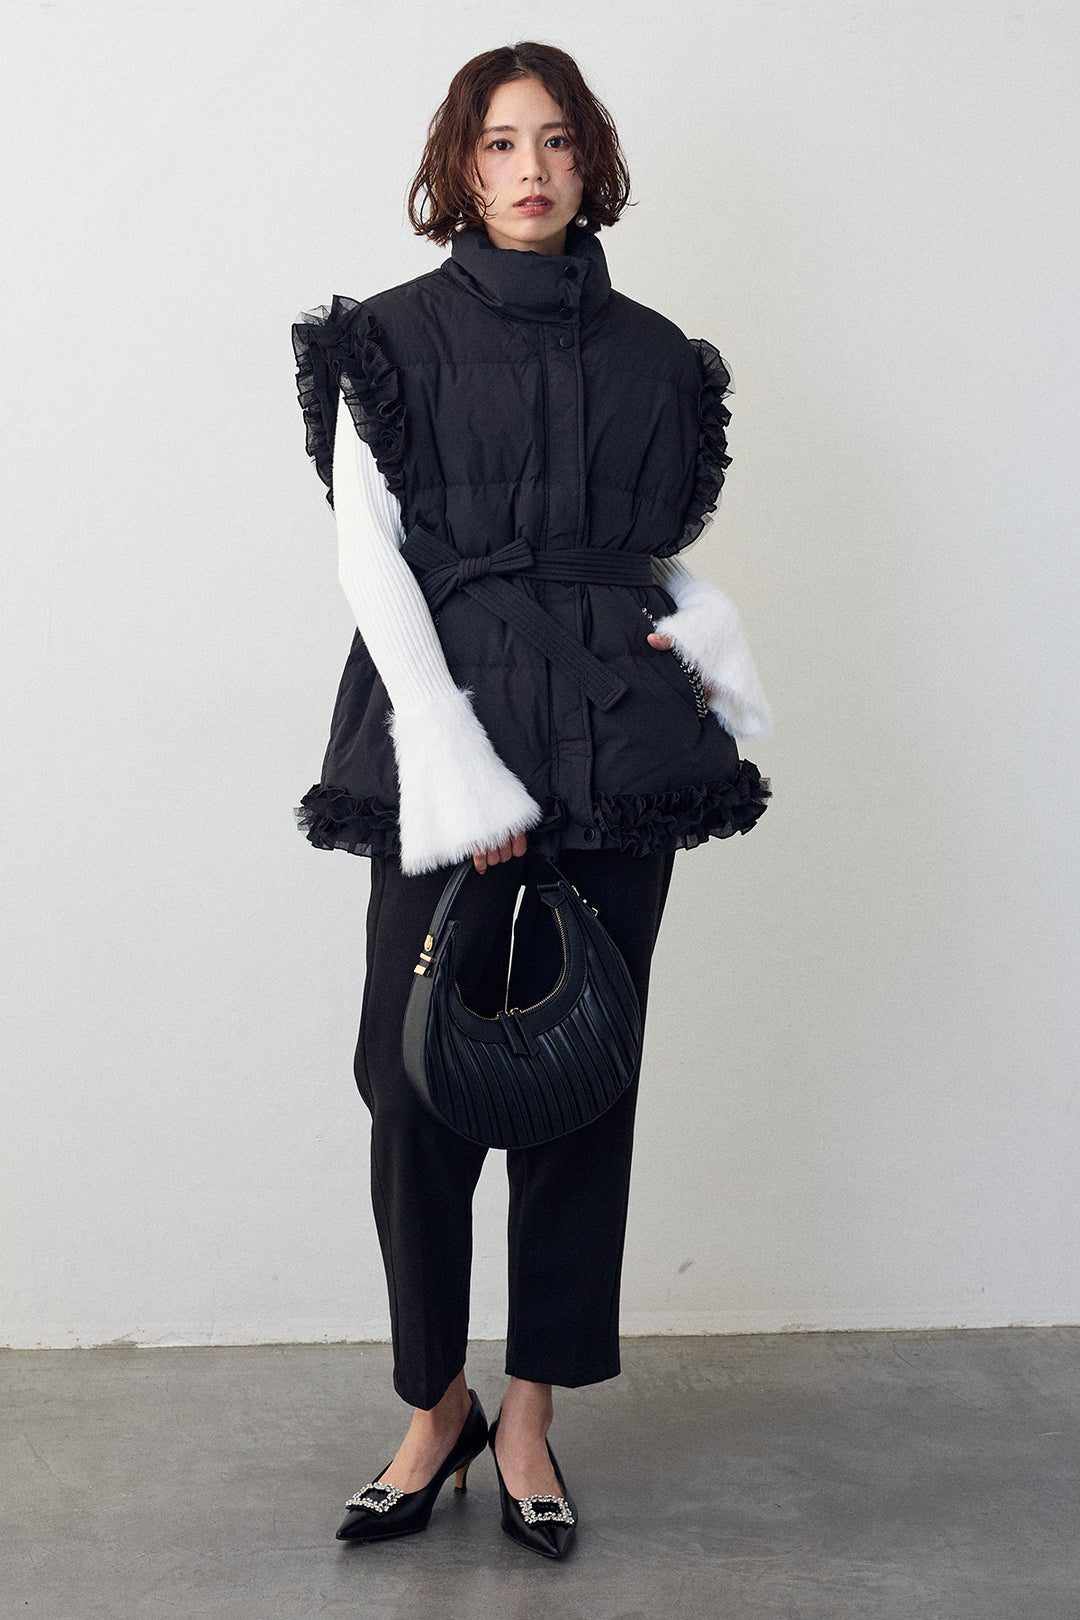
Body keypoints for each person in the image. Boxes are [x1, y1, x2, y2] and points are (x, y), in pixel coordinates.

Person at [291, 41, 772, 1559]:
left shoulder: (659, 358)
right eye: (500, 143)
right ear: (459, 163)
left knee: (583, 1082)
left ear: (591, 161)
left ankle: (530, 1417)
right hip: (450, 722)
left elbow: (648, 555)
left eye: (557, 141)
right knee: (410, 1077)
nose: (530, 169)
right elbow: (371, 561)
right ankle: (433, 1404)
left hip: (617, 741)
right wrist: (451, 759)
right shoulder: (386, 340)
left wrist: (707, 634)